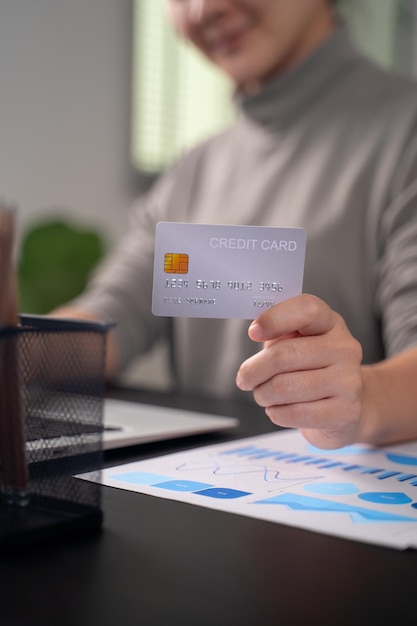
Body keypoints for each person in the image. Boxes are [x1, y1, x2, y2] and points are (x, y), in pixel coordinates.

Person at [53, 0, 417, 450]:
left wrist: (362, 400)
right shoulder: (194, 166)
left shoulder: (406, 135)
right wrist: (16, 349)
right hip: (198, 499)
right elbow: (107, 320)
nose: (204, 8)